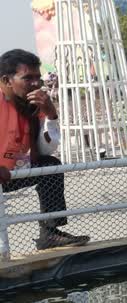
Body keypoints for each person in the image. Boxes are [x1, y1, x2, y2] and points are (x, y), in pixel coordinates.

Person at [0, 49, 90, 250]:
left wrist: (51, 115)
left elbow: (45, 149)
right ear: (7, 80)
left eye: (37, 78)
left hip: (10, 174)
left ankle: (50, 233)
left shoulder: (31, 106)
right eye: (27, 78)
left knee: (51, 167)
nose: (36, 84)